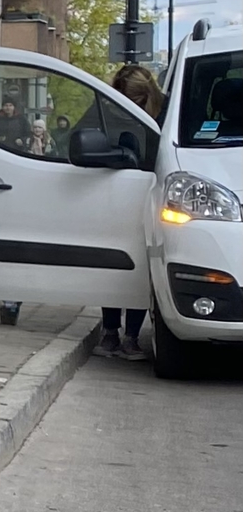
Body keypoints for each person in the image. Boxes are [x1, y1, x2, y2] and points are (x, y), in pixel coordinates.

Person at [97, 63, 167, 357]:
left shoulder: (164, 114)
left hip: (149, 196)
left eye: (136, 102)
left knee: (141, 267)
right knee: (114, 266)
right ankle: (110, 331)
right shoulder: (106, 109)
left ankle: (132, 335)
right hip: (116, 196)